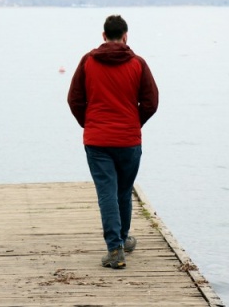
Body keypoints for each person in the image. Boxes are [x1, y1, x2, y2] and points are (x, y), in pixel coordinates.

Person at [67, 14, 159, 269]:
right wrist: (133, 122)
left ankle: (116, 247)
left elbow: (74, 99)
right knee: (123, 190)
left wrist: (90, 123)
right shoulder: (138, 64)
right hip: (128, 140)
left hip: (97, 140)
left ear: (104, 36)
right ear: (126, 36)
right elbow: (151, 102)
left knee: (107, 192)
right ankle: (121, 240)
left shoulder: (88, 62)